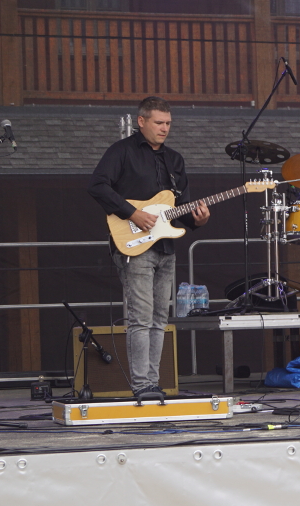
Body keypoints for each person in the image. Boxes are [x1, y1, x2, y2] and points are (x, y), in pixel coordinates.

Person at [88, 96, 210, 398]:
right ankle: (141, 385)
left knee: (159, 319)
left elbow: (180, 207)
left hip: (166, 247)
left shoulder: (175, 160)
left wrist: (199, 220)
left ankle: (153, 383)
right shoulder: (121, 152)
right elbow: (97, 185)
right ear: (141, 121)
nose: (164, 128)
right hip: (135, 247)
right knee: (141, 318)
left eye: (168, 123)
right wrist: (132, 213)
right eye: (158, 123)